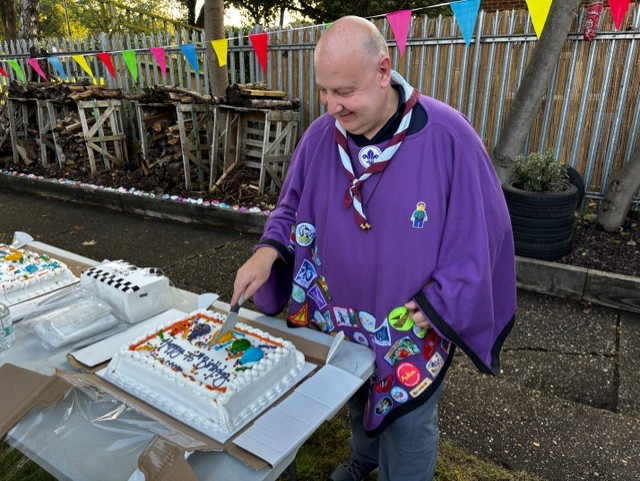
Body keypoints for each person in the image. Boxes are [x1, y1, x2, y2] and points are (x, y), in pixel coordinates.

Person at [231, 16, 516, 481]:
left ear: (383, 71)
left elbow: (482, 228)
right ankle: (364, 461)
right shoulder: (322, 135)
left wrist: (443, 298)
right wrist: (267, 252)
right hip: (341, 309)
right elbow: (292, 205)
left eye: (343, 92)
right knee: (356, 390)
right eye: (324, 90)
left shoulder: (447, 135)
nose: (330, 106)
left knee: (408, 419)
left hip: (407, 317)